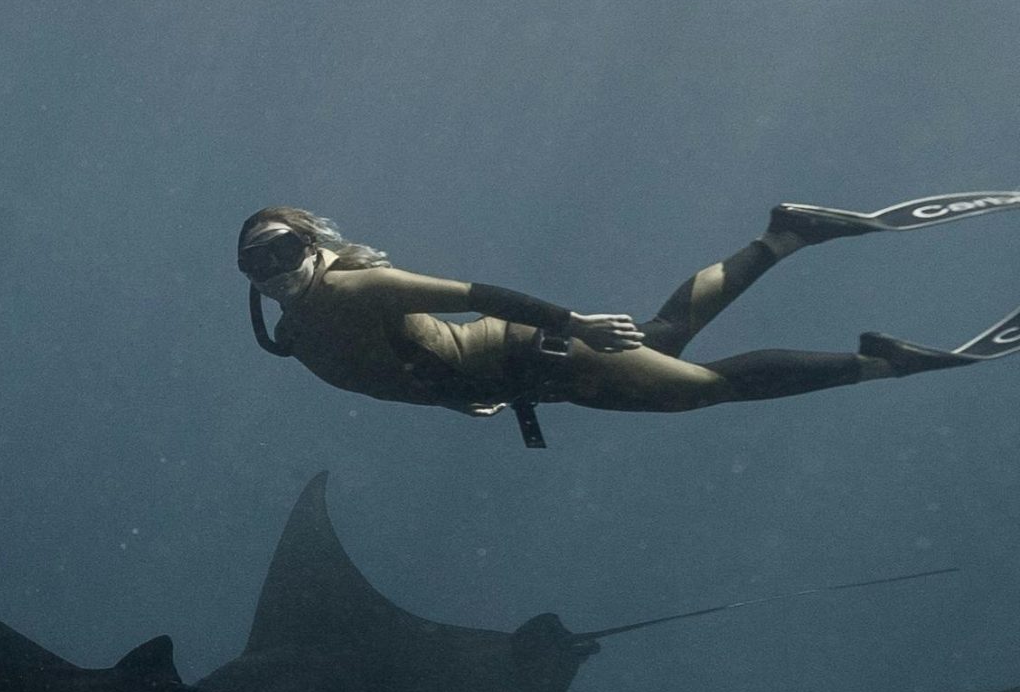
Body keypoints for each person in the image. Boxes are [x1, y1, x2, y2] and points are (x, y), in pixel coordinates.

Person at [236, 203, 972, 440]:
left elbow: (479, 293)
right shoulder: (288, 333)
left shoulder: (356, 287)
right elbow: (390, 370)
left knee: (703, 389)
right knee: (662, 338)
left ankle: (883, 360)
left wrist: (575, 323)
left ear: (315, 245)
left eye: (281, 250)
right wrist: (454, 395)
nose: (272, 271)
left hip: (542, 355)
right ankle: (786, 235)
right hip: (523, 373)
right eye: (254, 264)